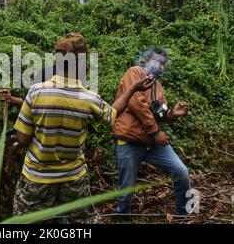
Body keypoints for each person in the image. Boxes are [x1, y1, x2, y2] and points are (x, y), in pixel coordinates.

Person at [10, 32, 155, 223]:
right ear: (81, 64)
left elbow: (22, 139)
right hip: (74, 178)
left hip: (37, 177)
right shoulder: (89, 98)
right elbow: (112, 114)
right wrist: (132, 89)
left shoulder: (37, 92)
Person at [111, 48, 191, 219]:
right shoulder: (134, 72)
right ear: (146, 60)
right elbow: (136, 104)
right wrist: (156, 131)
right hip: (129, 139)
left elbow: (159, 114)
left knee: (181, 171)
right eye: (155, 60)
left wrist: (172, 114)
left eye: (162, 63)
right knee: (127, 187)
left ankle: (184, 215)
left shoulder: (158, 86)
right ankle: (121, 218)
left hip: (150, 143)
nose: (158, 65)